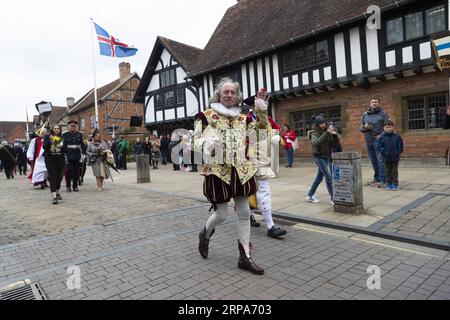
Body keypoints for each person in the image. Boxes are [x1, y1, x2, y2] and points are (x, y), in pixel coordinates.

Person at [194, 77, 264, 275]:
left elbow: (261, 134)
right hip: (218, 171)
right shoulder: (205, 116)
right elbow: (195, 140)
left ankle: (245, 257)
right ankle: (205, 234)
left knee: (244, 213)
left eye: (233, 92)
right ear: (219, 94)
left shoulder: (245, 117)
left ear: (237, 96)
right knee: (222, 215)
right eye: (226, 92)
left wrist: (262, 113)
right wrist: (206, 146)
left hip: (241, 170)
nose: (230, 95)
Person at [246, 95, 287, 238]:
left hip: (263, 156)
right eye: (262, 104)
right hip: (250, 157)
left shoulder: (266, 118)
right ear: (253, 105)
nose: (265, 105)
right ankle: (268, 225)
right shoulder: (247, 119)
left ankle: (263, 222)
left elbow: (275, 129)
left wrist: (276, 137)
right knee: (257, 190)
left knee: (257, 190)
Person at [306, 114, 341, 205]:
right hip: (319, 157)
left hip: (327, 157)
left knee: (319, 177)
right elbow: (315, 143)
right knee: (328, 177)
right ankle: (333, 198)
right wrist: (326, 133)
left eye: (324, 123)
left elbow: (335, 145)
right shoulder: (314, 133)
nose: (324, 125)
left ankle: (310, 195)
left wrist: (334, 135)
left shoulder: (327, 132)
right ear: (317, 124)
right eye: (321, 123)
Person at [360, 97, 389, 187]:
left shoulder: (383, 114)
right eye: (372, 102)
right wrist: (365, 127)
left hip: (378, 141)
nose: (374, 103)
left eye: (376, 102)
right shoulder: (365, 114)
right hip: (368, 140)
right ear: (370, 104)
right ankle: (376, 178)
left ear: (379, 103)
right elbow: (360, 127)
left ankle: (383, 180)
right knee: (373, 160)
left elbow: (388, 126)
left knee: (380, 160)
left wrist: (381, 135)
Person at [378, 120, 404, 191]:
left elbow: (401, 146)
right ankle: (389, 184)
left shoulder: (397, 137)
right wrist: (384, 152)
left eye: (390, 127)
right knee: (387, 171)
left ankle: (395, 184)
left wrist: (397, 152)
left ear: (393, 128)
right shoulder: (382, 137)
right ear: (384, 128)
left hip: (395, 158)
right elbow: (380, 146)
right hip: (386, 158)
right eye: (387, 127)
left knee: (394, 172)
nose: (388, 129)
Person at [43, 126, 65, 204]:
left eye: (58, 129)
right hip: (50, 160)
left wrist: (59, 143)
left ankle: (57, 191)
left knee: (59, 177)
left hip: (60, 159)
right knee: (53, 177)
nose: (56, 130)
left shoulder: (62, 137)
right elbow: (44, 147)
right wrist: (51, 141)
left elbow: (65, 149)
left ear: (60, 130)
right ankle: (54, 196)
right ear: (52, 129)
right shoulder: (47, 137)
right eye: (55, 128)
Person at [63, 120, 85, 192]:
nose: (73, 127)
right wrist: (64, 154)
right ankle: (68, 186)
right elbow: (63, 146)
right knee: (69, 171)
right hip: (69, 154)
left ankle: (75, 186)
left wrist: (83, 153)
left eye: (74, 126)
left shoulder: (79, 134)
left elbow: (82, 144)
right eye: (71, 126)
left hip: (77, 155)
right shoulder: (65, 135)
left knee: (76, 171)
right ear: (68, 126)